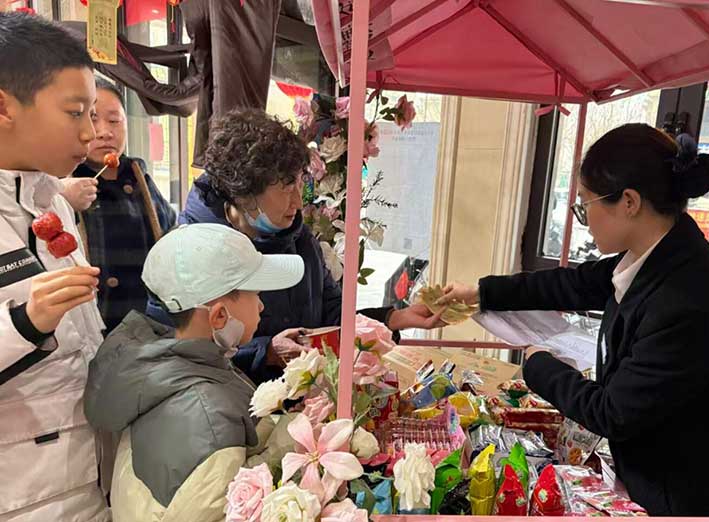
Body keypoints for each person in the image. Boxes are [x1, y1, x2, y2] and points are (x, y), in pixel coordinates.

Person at [441, 124, 709, 516]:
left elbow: (612, 413)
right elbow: (575, 284)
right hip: (658, 468)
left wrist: (538, 362)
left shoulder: (685, 300)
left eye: (585, 204)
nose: (585, 219)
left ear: (629, 202)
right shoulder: (661, 250)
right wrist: (481, 293)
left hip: (692, 495)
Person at [155, 108, 443, 384]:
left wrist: (395, 317)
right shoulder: (187, 256)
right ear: (244, 192)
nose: (298, 201)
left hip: (302, 399)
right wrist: (265, 351)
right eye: (285, 188)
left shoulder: (300, 239)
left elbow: (332, 311)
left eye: (299, 183)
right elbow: (176, 349)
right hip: (237, 403)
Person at [85, 223, 305, 521]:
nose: (262, 305)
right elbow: (224, 508)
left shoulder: (165, 365)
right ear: (219, 316)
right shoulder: (207, 411)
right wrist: (292, 438)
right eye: (255, 293)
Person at [0, 12, 110, 521]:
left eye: (94, 114)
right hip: (22, 494)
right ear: (5, 106)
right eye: (75, 113)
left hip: (90, 471)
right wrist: (24, 323)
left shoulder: (54, 201)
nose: (91, 133)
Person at [60, 77, 176, 332]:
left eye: (114, 120)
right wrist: (60, 197)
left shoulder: (139, 176)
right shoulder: (62, 182)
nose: (104, 132)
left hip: (151, 326)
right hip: (95, 327)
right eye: (92, 119)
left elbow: (170, 237)